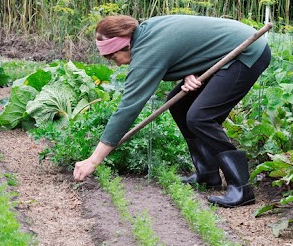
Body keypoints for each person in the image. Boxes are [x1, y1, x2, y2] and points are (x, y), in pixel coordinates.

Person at [72, 14, 271, 208]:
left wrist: (94, 160)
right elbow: (183, 44)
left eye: (114, 57)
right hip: (224, 52)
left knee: (200, 117)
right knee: (179, 104)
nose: (116, 63)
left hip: (246, 52)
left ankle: (241, 188)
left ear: (126, 45)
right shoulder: (146, 33)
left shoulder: (147, 52)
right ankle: (208, 173)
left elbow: (127, 109)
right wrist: (188, 71)